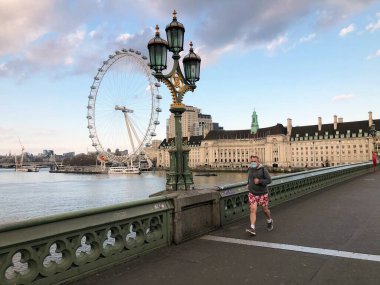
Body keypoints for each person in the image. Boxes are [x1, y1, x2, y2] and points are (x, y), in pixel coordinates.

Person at [246, 155, 273, 236]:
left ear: (258, 162)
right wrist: (248, 184)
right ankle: (252, 228)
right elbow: (249, 178)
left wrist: (260, 181)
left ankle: (269, 220)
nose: (253, 163)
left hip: (262, 194)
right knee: (253, 209)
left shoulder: (263, 169)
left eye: (254, 161)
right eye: (252, 161)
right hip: (252, 193)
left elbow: (269, 180)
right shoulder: (250, 169)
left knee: (265, 210)